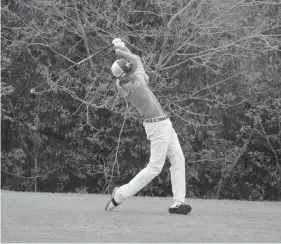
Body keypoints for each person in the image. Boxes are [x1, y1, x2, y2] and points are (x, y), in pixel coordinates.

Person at [105, 38, 192, 215]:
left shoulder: (123, 81)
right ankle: (120, 194)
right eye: (128, 70)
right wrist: (120, 50)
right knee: (154, 168)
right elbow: (136, 59)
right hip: (157, 127)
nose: (131, 69)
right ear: (125, 75)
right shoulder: (137, 86)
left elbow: (132, 63)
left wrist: (122, 49)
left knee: (178, 158)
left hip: (163, 123)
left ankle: (178, 203)